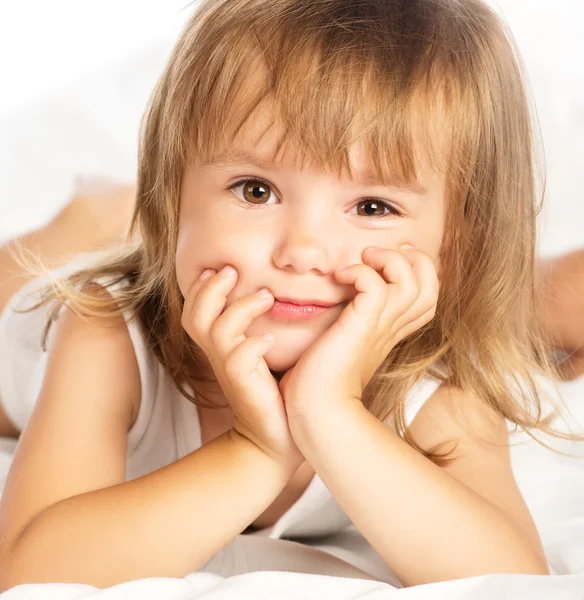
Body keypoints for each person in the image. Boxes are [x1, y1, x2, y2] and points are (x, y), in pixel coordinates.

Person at [0, 0, 583, 590]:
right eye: (255, 190)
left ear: (456, 240)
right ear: (170, 192)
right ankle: (97, 218)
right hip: (35, 325)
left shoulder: (438, 380)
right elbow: (34, 573)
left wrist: (328, 411)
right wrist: (256, 450)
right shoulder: (105, 332)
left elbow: (511, 578)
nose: (302, 252)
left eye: (373, 207)